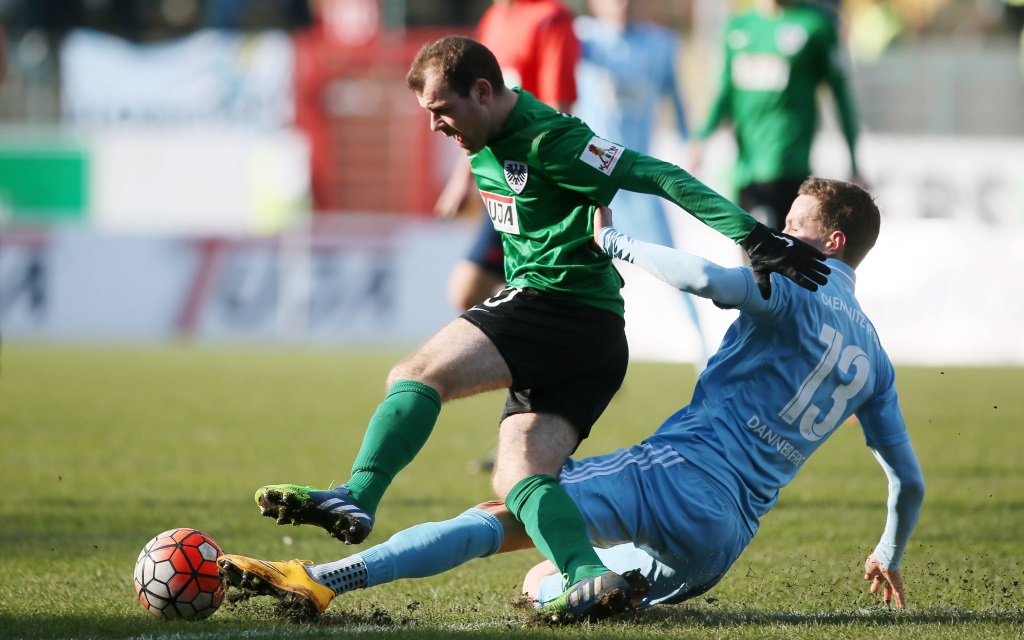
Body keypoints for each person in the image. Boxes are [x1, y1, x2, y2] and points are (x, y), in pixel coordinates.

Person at [251, 35, 830, 622]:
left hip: (559, 305)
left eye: (440, 111)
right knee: (518, 477)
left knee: (416, 374)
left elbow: (658, 173)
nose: (434, 127)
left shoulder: (554, 139)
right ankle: (588, 575)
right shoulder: (479, 130)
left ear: (482, 91)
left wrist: (750, 236)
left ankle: (359, 495)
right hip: (592, 341)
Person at [221, 177, 923, 621]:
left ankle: (318, 578)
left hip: (677, 478)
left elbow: (711, 282)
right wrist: (887, 550)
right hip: (724, 541)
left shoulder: (795, 281)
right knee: (540, 581)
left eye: (792, 224)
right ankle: (590, 593)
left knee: (508, 506)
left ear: (830, 241)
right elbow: (907, 480)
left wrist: (614, 240)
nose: (775, 235)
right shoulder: (877, 360)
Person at [573, 0, 713, 369]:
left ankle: (705, 353)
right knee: (577, 270)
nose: (620, 4)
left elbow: (678, 101)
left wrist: (690, 143)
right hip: (588, 182)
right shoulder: (581, 39)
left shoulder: (661, 45)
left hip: (637, 181)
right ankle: (581, 355)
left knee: (673, 265)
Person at [437, 0, 581, 312]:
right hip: (499, 178)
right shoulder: (494, 19)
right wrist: (463, 180)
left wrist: (541, 184)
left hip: (529, 183)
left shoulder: (550, 18)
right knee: (483, 292)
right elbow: (477, 114)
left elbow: (558, 110)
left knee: (473, 289)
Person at [690, 0, 863, 231]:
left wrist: (853, 160)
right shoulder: (736, 27)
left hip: (789, 167)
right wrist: (701, 139)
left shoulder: (815, 25)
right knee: (751, 260)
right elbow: (724, 93)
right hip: (745, 169)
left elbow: (840, 95)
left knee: (778, 255)